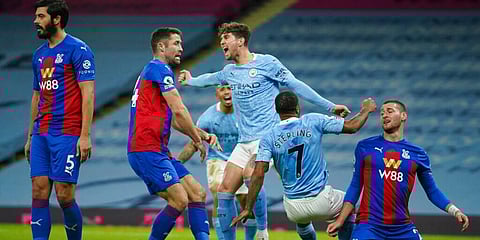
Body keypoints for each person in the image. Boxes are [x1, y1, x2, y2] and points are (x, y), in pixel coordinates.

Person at [179, 22, 351, 240]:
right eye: (221, 39)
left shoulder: (267, 63)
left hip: (268, 138)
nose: (222, 42)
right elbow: (210, 79)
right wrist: (191, 80)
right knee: (224, 189)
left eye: (227, 37)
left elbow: (295, 85)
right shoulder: (229, 72)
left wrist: (330, 106)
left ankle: (262, 230)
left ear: (241, 41)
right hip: (244, 141)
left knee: (251, 174)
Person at [231, 91, 376, 240]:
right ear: (298, 108)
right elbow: (352, 127)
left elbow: (258, 173)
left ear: (276, 111)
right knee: (351, 205)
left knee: (302, 221)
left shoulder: (269, 137)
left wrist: (248, 208)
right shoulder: (312, 121)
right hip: (321, 199)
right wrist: (366, 109)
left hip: (293, 207)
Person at [326, 100, 470, 239]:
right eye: (382, 113)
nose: (384, 115)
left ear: (403, 116)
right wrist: (340, 221)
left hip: (402, 228)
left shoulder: (418, 154)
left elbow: (432, 190)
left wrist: (454, 210)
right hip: (369, 226)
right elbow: (355, 186)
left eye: (390, 111)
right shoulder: (365, 147)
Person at [127, 27, 220, 240]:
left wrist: (199, 134)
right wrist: (197, 139)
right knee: (179, 199)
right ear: (161, 47)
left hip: (158, 150)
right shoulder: (159, 69)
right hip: (145, 150)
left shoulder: (150, 72)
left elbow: (172, 118)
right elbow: (179, 109)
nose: (181, 48)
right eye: (176, 43)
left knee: (197, 193)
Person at [24, 0, 95, 239]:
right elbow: (37, 96)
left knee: (64, 194)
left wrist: (85, 135)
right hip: (41, 133)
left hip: (67, 132)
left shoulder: (79, 49)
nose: (36, 21)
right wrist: (30, 136)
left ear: (57, 19)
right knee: (38, 190)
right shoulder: (39, 55)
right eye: (36, 16)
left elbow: (88, 93)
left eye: (41, 16)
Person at [178, 83, 259, 240]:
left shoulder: (245, 113)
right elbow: (194, 142)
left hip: (241, 160)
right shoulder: (208, 118)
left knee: (245, 200)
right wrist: (178, 162)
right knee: (220, 192)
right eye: (223, 89)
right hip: (218, 159)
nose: (227, 92)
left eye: (230, 88)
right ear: (217, 95)